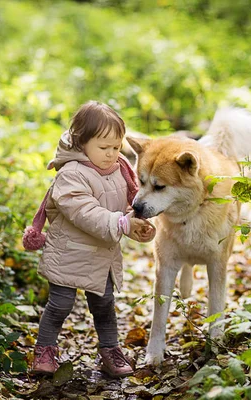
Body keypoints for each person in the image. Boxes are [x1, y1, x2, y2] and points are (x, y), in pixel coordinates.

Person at [24, 101, 155, 378]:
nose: (111, 154)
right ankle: (44, 350)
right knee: (60, 304)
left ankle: (110, 350)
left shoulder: (120, 170)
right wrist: (121, 224)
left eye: (117, 147)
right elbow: (84, 212)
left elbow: (129, 203)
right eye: (103, 147)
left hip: (101, 255)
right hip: (68, 252)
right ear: (82, 143)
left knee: (104, 305)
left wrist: (137, 223)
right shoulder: (71, 174)